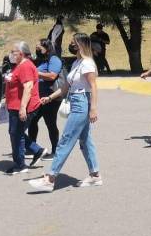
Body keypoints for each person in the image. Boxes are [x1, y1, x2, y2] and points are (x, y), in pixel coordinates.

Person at [29, 34, 101, 192]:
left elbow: (93, 87)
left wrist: (93, 109)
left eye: (73, 43)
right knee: (85, 140)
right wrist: (50, 97)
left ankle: (50, 178)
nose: (70, 45)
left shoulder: (88, 63)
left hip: (82, 102)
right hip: (75, 100)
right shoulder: (77, 62)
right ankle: (95, 175)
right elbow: (65, 87)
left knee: (66, 139)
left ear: (81, 44)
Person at [4, 42, 46, 174]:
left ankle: (20, 165)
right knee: (16, 133)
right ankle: (36, 150)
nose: (11, 54)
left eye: (13, 52)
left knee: (16, 134)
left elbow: (28, 88)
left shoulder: (26, 66)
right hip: (15, 106)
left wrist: (22, 108)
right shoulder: (19, 65)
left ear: (21, 53)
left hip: (22, 108)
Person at [28, 39, 62, 161]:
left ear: (46, 48)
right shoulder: (41, 61)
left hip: (51, 98)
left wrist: (36, 73)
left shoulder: (54, 60)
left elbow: (53, 75)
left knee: (50, 123)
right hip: (38, 97)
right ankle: (32, 148)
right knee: (32, 121)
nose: (37, 50)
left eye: (39, 48)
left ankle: (55, 151)